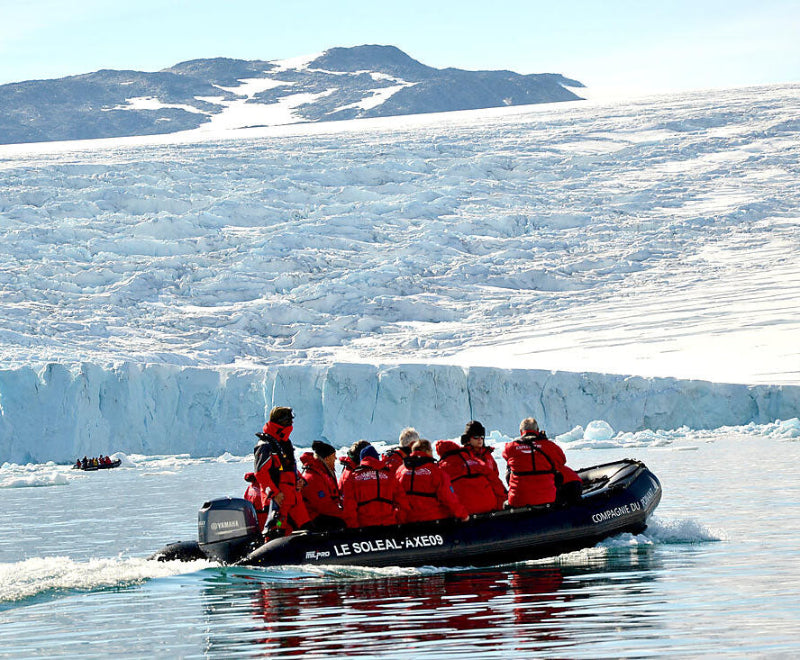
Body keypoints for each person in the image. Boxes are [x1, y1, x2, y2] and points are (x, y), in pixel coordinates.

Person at [251, 406, 310, 536]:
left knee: (305, 527)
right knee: (277, 528)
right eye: (289, 420)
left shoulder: (285, 443)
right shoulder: (265, 445)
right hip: (279, 499)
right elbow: (261, 473)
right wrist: (274, 494)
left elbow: (289, 467)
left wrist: (300, 480)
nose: (291, 423)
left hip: (293, 497)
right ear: (281, 421)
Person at [502, 418, 582, 507]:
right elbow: (561, 461)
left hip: (517, 501)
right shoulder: (549, 446)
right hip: (548, 498)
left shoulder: (510, 447)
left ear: (521, 432)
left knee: (510, 469)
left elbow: (506, 456)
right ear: (537, 430)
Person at [395, 439, 469, 523]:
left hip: (407, 521)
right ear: (427, 451)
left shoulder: (400, 471)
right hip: (432, 520)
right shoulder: (436, 472)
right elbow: (448, 497)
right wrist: (463, 514)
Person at [341, 445, 408, 528]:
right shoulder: (390, 476)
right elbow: (402, 504)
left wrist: (354, 529)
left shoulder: (353, 478)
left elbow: (349, 508)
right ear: (377, 458)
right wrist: (398, 522)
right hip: (389, 526)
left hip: (365, 528)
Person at [435, 437, 506, 514]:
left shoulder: (441, 468)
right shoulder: (476, 461)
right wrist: (500, 505)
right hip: (489, 505)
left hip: (465, 511)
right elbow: (495, 482)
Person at [299, 440, 346, 531]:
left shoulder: (323, 473)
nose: (335, 459)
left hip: (321, 515)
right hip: (314, 518)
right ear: (327, 458)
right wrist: (344, 514)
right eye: (333, 456)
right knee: (340, 524)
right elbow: (323, 506)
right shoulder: (313, 477)